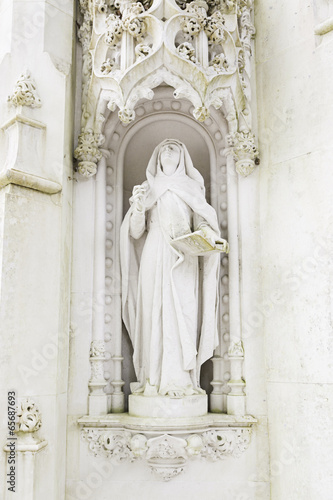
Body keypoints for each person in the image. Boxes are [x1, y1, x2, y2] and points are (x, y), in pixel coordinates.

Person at [120, 139, 228, 398]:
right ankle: (153, 379)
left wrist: (206, 236)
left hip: (184, 255)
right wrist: (137, 208)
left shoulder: (192, 188)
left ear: (182, 157)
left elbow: (204, 223)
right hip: (154, 250)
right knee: (152, 312)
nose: (168, 149)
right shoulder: (147, 189)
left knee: (184, 312)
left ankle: (181, 380)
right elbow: (136, 233)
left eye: (174, 147)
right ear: (157, 158)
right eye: (164, 147)